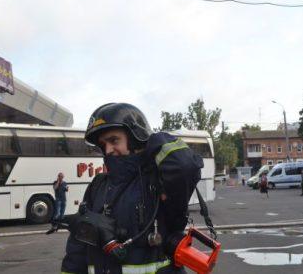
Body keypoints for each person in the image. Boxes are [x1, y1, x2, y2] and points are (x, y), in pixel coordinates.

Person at [60, 103, 203, 274]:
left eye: (114, 140)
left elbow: (185, 166)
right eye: (103, 145)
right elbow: (79, 247)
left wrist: (151, 140)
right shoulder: (98, 185)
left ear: (135, 139)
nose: (108, 150)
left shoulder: (158, 180)